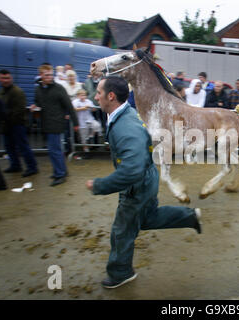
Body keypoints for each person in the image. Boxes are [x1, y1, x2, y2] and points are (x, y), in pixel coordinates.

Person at [85, 76, 202, 289]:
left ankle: (120, 273)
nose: (95, 96)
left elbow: (131, 170)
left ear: (111, 96)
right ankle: (190, 216)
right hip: (146, 179)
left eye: (99, 93)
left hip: (137, 185)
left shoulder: (125, 127)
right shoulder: (123, 114)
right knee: (147, 218)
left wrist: (100, 185)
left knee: (122, 230)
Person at [31, 64, 79, 186]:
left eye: (51, 75)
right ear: (41, 75)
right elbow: (37, 102)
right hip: (46, 123)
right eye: (46, 75)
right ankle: (62, 171)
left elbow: (69, 105)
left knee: (55, 150)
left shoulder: (59, 88)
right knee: (55, 150)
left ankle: (60, 174)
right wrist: (34, 106)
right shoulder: (38, 89)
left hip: (56, 123)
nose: (49, 77)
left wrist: (76, 123)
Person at [0, 69, 39, 177]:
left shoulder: (17, 92)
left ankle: (32, 167)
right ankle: (15, 165)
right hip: (6, 125)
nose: (5, 80)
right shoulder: (0, 92)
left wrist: (6, 118)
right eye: (3, 78)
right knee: (9, 147)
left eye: (7, 78)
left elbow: (19, 110)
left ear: (11, 78)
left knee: (23, 147)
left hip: (17, 125)